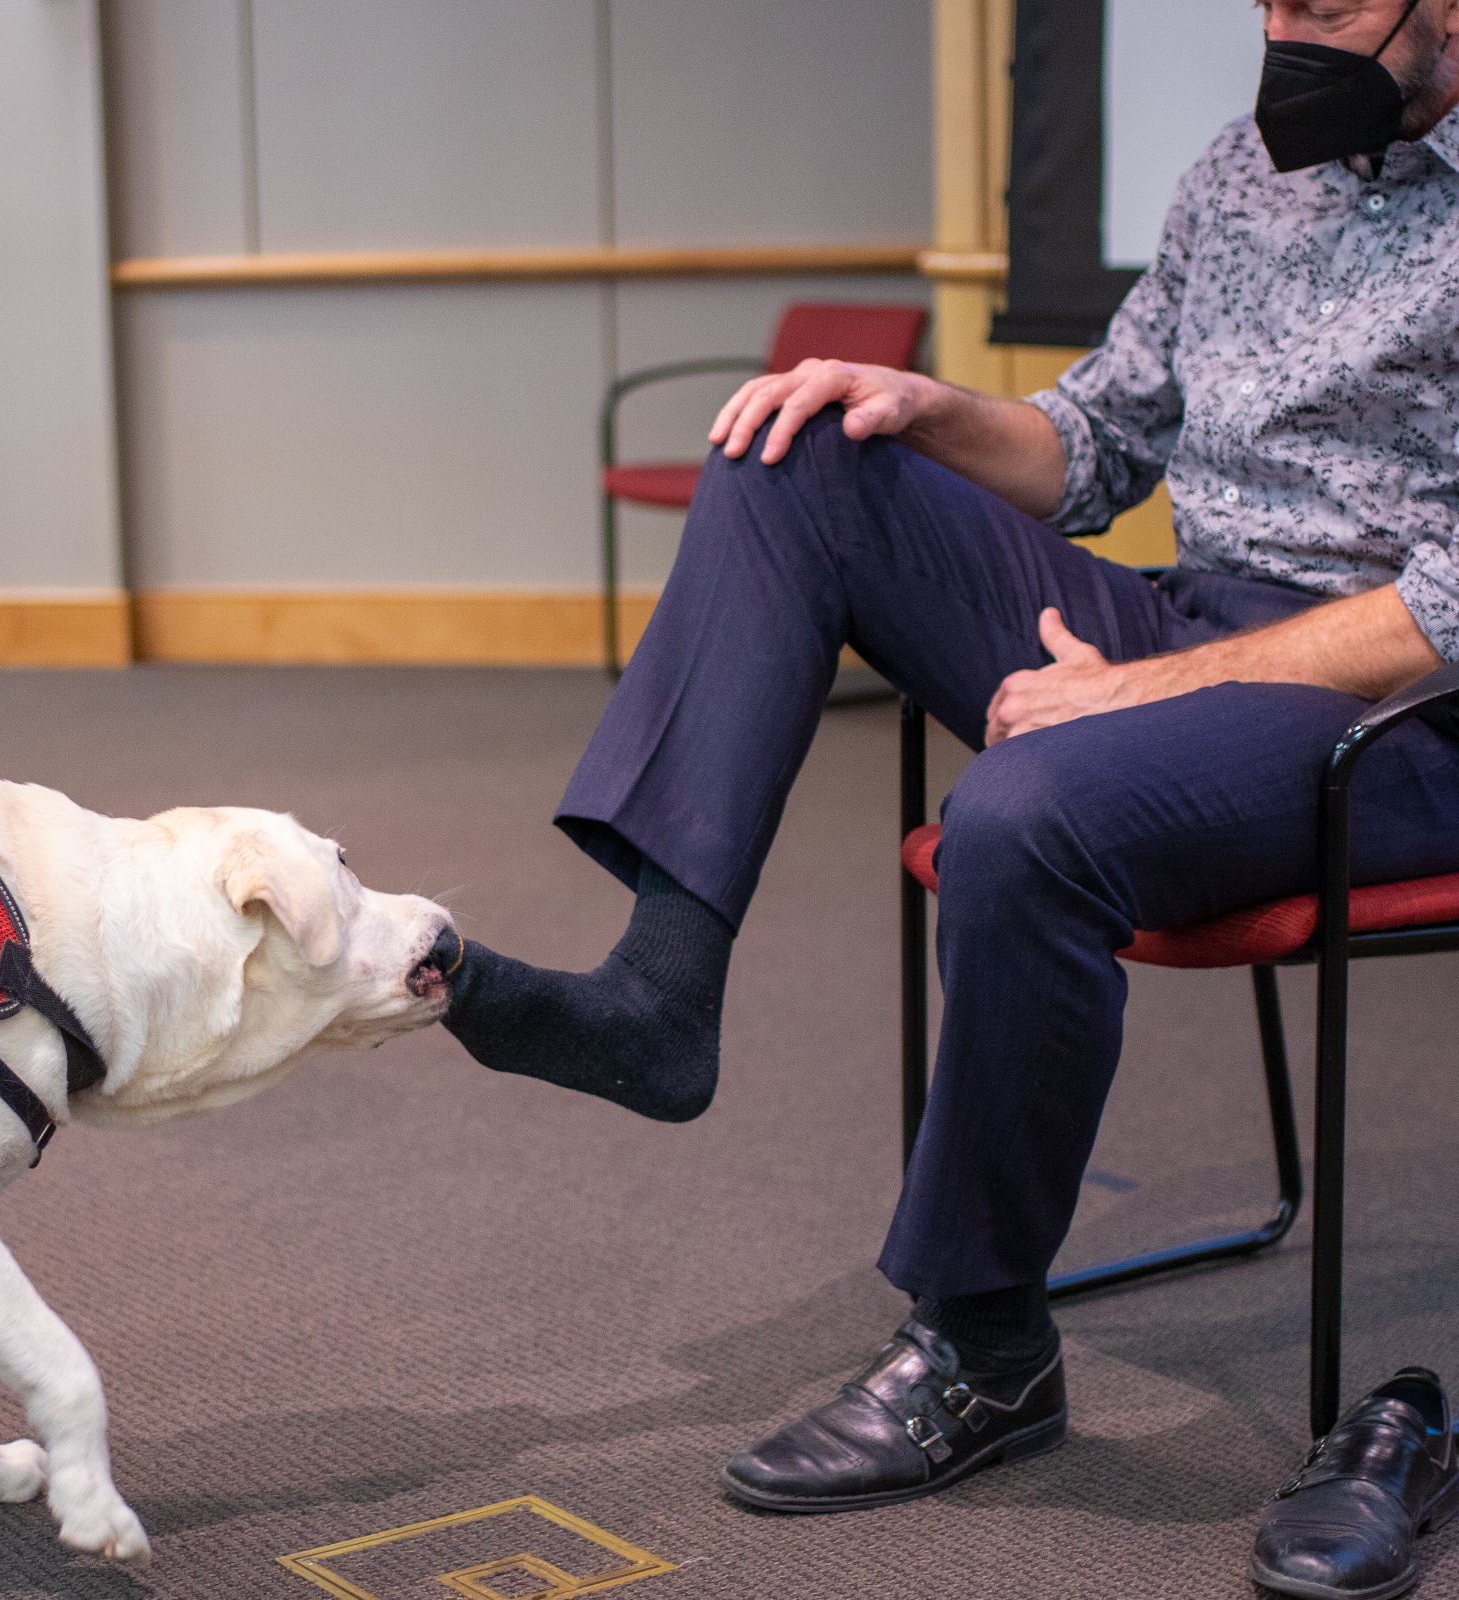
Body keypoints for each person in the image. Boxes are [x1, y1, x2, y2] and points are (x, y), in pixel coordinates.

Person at [430, 1, 1459, 1593]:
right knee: (796, 449)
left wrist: (1133, 695)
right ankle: (660, 993)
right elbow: (1094, 443)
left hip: (1406, 710)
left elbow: (1448, 609)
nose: (1279, 31)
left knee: (1024, 817)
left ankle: (982, 1349)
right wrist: (917, 407)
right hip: (1191, 613)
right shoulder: (1236, 175)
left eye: (1322, 3)